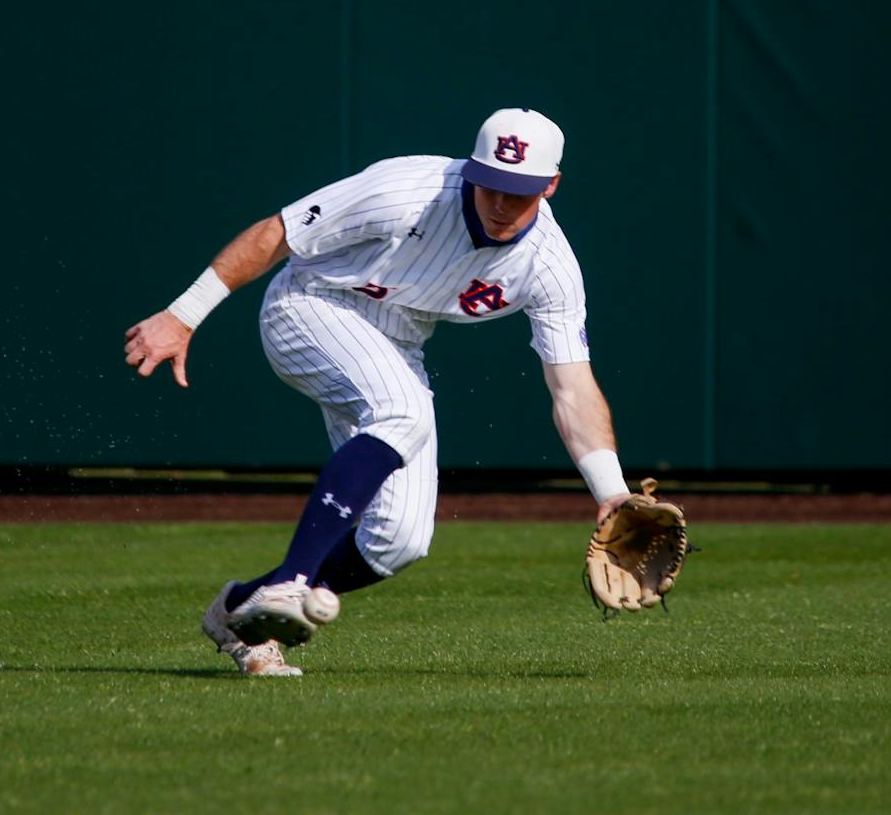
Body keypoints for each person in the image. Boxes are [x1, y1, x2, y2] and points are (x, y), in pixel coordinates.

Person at [124, 108, 633, 676]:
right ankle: (292, 583)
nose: (499, 203)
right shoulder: (406, 190)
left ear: (550, 185)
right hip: (311, 304)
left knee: (400, 540)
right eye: (490, 184)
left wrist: (610, 491)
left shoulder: (550, 267)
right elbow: (278, 233)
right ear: (471, 169)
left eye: (518, 192)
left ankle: (241, 611)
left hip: (396, 344)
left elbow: (571, 388)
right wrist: (182, 315)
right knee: (402, 410)